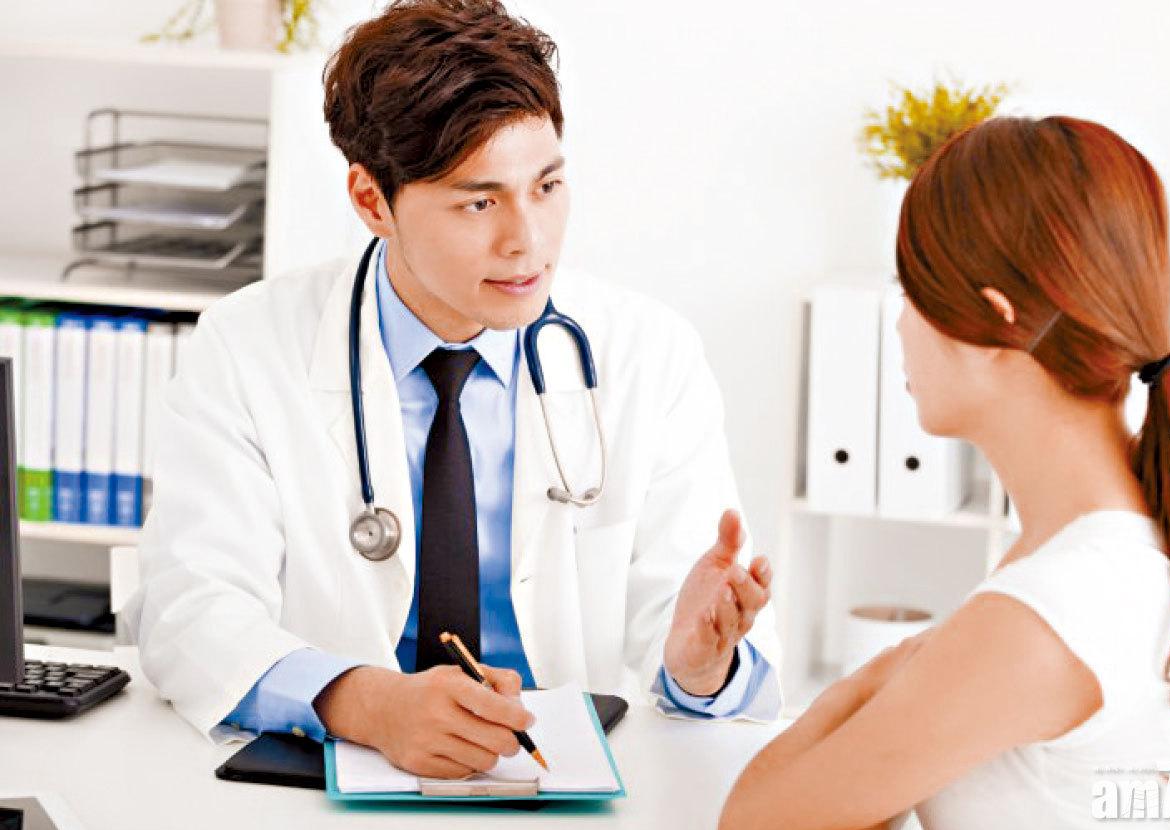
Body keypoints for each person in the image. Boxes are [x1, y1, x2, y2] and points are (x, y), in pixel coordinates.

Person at [124, 0, 781, 779]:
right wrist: (365, 701)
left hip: (562, 790)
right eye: (479, 201)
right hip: (327, 783)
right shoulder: (248, 347)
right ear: (372, 200)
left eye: (547, 186)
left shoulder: (649, 354)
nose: (527, 241)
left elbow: (691, 639)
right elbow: (190, 610)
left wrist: (699, 666)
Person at [718, 116, 1170, 830]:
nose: (901, 326)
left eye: (911, 292)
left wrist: (889, 672)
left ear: (994, 321)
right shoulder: (1122, 548)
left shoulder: (1047, 614)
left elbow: (750, 823)